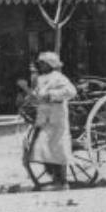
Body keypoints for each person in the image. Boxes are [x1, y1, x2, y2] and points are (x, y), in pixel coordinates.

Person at [29, 51, 77, 191]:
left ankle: (62, 182)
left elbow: (71, 92)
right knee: (43, 149)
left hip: (57, 118)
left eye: (43, 64)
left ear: (50, 65)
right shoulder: (40, 78)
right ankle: (55, 179)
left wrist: (52, 95)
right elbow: (38, 94)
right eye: (40, 64)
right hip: (45, 118)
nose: (41, 66)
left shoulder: (59, 77)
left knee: (58, 149)